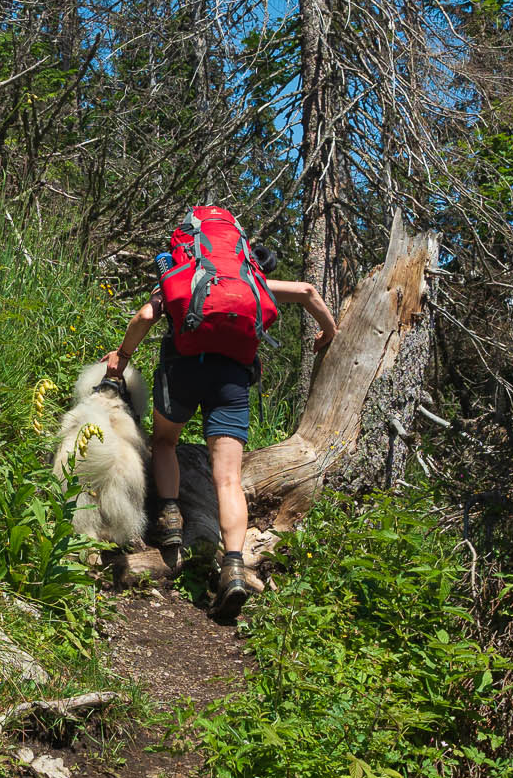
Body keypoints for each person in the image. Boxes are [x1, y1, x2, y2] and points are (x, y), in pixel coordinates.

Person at [100, 241, 337, 616]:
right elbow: (308, 292)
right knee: (227, 477)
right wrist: (329, 331)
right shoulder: (251, 281)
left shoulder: (180, 275)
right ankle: (233, 568)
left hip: (183, 369)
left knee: (164, 442)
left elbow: (146, 315)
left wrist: (122, 355)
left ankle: (171, 517)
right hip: (232, 378)